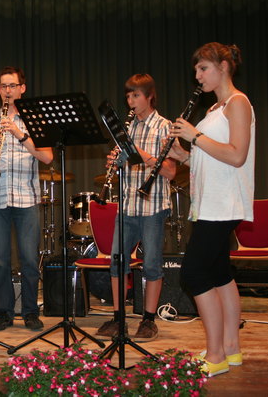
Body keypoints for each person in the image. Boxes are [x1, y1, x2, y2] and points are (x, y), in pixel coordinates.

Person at [168, 43, 254, 377]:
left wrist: (195, 135)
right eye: (196, 70)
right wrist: (184, 155)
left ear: (222, 66)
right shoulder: (217, 108)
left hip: (225, 203)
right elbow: (214, 159)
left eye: (203, 68)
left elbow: (237, 155)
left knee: (194, 273)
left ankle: (215, 354)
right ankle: (231, 350)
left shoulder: (238, 103)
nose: (197, 75)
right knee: (219, 274)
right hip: (210, 202)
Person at [96, 74, 176, 342]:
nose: (130, 102)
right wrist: (116, 163)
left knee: (152, 265)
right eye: (128, 96)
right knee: (118, 263)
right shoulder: (126, 129)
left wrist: (144, 156)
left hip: (152, 205)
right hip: (127, 204)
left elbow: (171, 171)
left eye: (136, 96)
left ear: (149, 96)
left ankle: (149, 320)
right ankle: (119, 319)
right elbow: (124, 165)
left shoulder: (165, 127)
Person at [0, 66, 53, 332]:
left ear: (22, 88)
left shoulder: (36, 119)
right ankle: (3, 312)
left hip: (27, 197)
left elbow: (47, 157)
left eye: (12, 86)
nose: (8, 91)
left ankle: (30, 311)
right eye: (3, 86)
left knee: (28, 257)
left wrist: (19, 133)